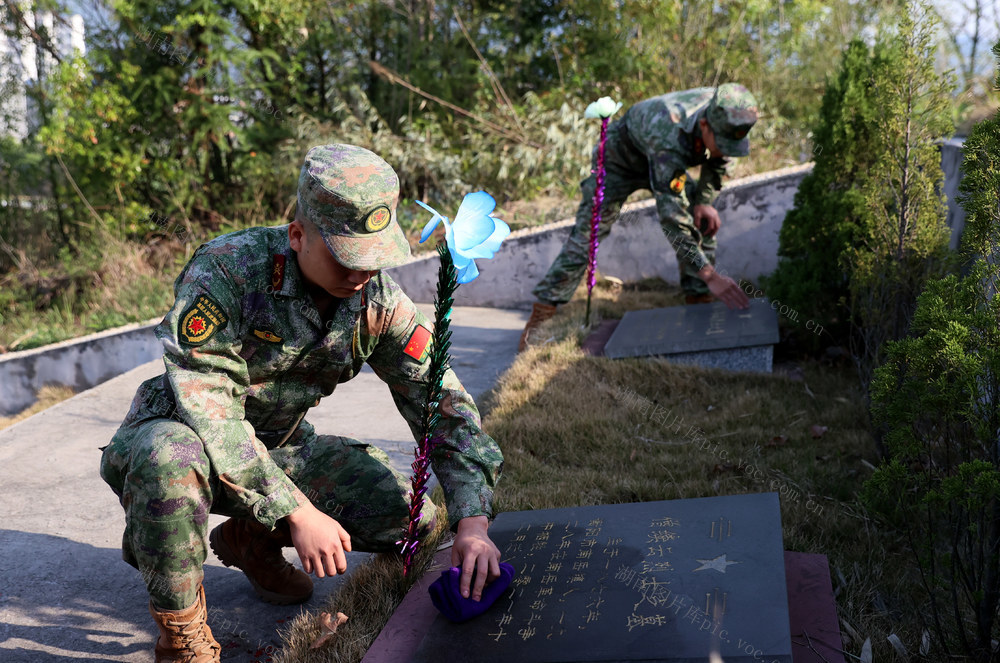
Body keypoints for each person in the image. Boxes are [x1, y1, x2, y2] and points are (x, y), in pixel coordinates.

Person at [100, 144, 504, 662]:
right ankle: (180, 636)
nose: (360, 273)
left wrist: (472, 524)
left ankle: (252, 537)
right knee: (169, 460)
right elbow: (211, 412)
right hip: (180, 436)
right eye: (345, 256)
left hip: (280, 447)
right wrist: (296, 510)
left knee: (417, 523)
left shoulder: (378, 303)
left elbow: (443, 408)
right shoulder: (228, 271)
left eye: (374, 257)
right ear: (298, 235)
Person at [519, 83, 757, 351]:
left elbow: (718, 159)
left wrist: (703, 201)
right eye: (723, 144)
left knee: (701, 220)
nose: (726, 150)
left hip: (662, 158)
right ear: (704, 125)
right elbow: (673, 222)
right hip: (618, 162)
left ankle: (699, 302)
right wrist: (711, 276)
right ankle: (543, 313)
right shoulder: (668, 134)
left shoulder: (726, 108)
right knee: (589, 234)